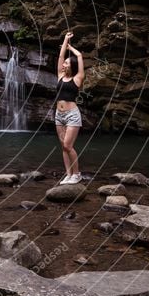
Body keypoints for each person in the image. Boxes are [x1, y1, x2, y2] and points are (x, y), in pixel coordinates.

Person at [55, 32, 84, 184]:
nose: (64, 64)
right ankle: (68, 174)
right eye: (64, 63)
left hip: (72, 114)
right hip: (58, 115)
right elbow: (60, 57)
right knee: (63, 147)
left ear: (71, 66)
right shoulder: (60, 75)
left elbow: (79, 57)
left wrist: (71, 48)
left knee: (68, 145)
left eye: (66, 63)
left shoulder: (77, 78)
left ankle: (77, 174)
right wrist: (65, 40)